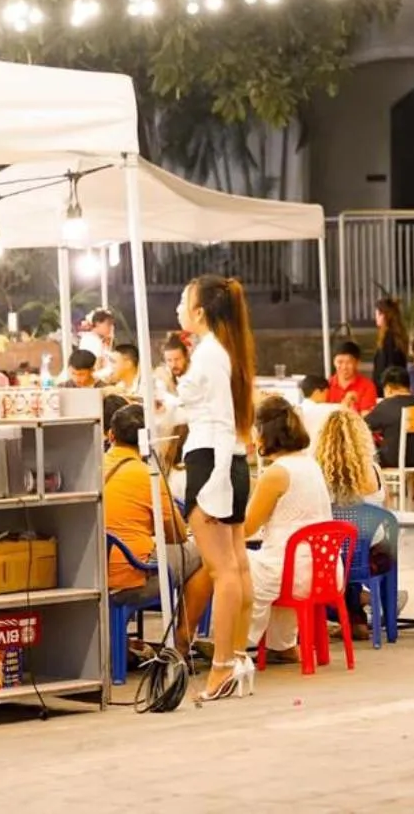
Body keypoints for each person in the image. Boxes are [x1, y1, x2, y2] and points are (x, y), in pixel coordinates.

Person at [168, 275, 257, 704]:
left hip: (214, 462)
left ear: (200, 311)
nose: (178, 308)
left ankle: (222, 666)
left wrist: (217, 480)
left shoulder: (209, 355)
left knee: (223, 571)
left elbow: (218, 420)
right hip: (230, 460)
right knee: (236, 566)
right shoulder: (224, 351)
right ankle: (236, 657)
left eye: (184, 301)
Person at [103, 403, 214, 660]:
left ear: (110, 434)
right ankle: (183, 640)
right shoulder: (148, 476)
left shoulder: (90, 468)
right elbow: (177, 535)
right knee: (207, 554)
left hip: (92, 576)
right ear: (148, 441)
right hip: (130, 578)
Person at [242, 395, 333, 665]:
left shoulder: (276, 473)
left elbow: (248, 528)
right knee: (270, 561)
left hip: (294, 572)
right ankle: (282, 645)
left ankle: (241, 642)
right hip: (324, 569)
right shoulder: (309, 464)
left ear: (263, 433)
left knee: (233, 563)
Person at [318, 403, 391, 642]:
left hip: (331, 560)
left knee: (336, 551)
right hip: (372, 559)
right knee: (356, 546)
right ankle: (366, 605)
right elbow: (386, 512)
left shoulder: (319, 476)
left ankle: (349, 613)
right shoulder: (375, 471)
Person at [366, 367, 414, 469]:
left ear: (388, 388)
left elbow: (362, 426)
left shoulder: (386, 405)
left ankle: (380, 485)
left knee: (368, 457)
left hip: (395, 458)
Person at [370, 297, 411, 390]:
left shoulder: (388, 338)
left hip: (387, 388)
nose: (375, 317)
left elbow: (384, 367)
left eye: (377, 314)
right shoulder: (398, 337)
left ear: (383, 315)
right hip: (397, 386)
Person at [326, 342, 379, 412]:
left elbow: (366, 418)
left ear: (357, 363)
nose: (344, 367)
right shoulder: (326, 385)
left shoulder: (367, 386)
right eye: (340, 362)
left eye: (348, 362)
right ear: (334, 362)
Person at [295, 373, 337, 447]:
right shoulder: (324, 411)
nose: (326, 397)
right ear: (317, 392)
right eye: (326, 393)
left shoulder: (296, 410)